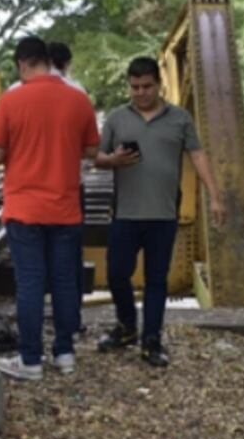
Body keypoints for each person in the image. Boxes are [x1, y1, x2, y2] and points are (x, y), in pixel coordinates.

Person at [95, 56, 226, 367]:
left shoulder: (180, 118)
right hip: (125, 214)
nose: (140, 93)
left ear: (159, 84)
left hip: (163, 215)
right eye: (135, 87)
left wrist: (215, 196)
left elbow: (198, 156)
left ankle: (151, 340)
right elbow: (97, 158)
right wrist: (113, 160)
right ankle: (127, 326)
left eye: (147, 86)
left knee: (157, 280)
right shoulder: (117, 118)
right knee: (117, 274)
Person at [0, 36, 99, 381]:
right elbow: (92, 151)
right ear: (49, 61)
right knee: (64, 281)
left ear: (22, 63)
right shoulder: (78, 99)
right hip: (65, 207)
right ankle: (64, 354)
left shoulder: (11, 99)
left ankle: (30, 360)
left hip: (24, 209)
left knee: (31, 282)